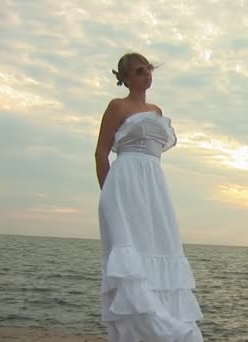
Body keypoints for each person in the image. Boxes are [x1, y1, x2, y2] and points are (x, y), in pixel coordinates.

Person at [94, 52, 204, 341]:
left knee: (160, 247)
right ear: (126, 78)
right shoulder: (116, 106)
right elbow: (101, 153)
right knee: (129, 254)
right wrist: (109, 196)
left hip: (154, 186)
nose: (147, 75)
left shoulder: (156, 111)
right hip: (123, 183)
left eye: (149, 69)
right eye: (140, 71)